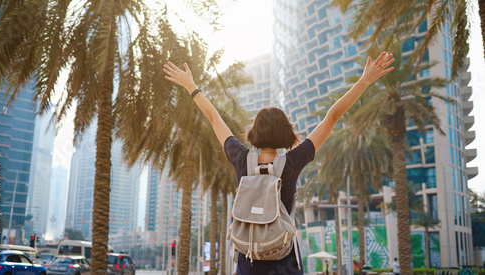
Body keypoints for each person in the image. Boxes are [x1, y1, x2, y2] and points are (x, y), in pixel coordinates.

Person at [163, 52, 394, 275]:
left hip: (248, 259)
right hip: (285, 261)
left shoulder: (241, 158)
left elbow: (214, 118)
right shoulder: (292, 161)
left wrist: (191, 87)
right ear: (286, 133)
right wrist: (364, 81)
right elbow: (332, 117)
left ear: (254, 132)